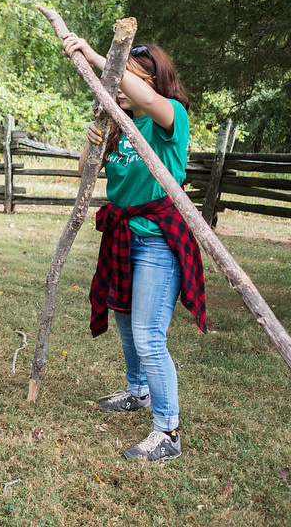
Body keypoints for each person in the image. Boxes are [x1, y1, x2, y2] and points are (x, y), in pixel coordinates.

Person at [63, 34, 207, 461]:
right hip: (123, 236)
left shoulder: (169, 116)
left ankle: (168, 432)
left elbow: (142, 96)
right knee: (126, 323)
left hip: (159, 239)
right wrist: (92, 141)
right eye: (120, 82)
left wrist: (99, 58)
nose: (122, 89)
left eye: (132, 81)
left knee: (148, 335)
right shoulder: (116, 124)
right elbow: (83, 173)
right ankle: (137, 391)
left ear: (153, 84)